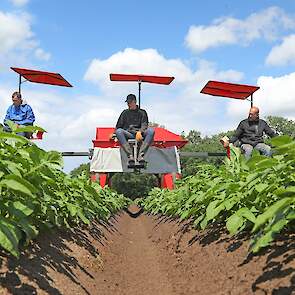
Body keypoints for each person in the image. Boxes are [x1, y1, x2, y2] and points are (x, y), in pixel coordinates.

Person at [115, 93, 155, 164]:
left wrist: (140, 132)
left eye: (130, 102)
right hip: (129, 134)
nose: (128, 104)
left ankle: (141, 155)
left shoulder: (142, 112)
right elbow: (118, 126)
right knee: (119, 131)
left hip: (140, 134)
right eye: (127, 102)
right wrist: (114, 134)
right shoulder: (125, 113)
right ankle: (130, 155)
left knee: (151, 131)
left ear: (135, 102)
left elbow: (144, 125)